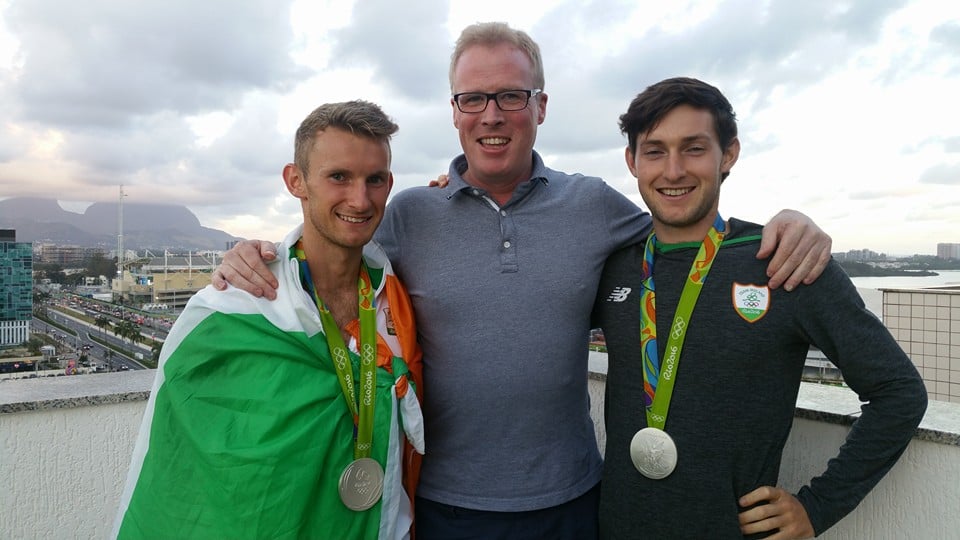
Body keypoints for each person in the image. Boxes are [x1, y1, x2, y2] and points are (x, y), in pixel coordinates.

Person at [213, 23, 833, 539]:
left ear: (540, 106)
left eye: (511, 96)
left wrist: (792, 224)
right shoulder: (408, 214)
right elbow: (330, 249)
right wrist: (254, 256)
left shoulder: (593, 205)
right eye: (473, 99)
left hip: (574, 501)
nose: (492, 115)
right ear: (454, 112)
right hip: (443, 503)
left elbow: (686, 226)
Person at [593, 77, 927, 539]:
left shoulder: (784, 261)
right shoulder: (612, 267)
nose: (672, 171)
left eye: (693, 148)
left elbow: (899, 391)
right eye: (654, 151)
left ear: (727, 154)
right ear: (632, 161)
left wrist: (818, 506)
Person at [113, 101, 425, 540]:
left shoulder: (394, 294)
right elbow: (179, 470)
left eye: (374, 180)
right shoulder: (232, 309)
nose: (360, 198)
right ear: (295, 181)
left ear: (389, 184)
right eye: (339, 176)